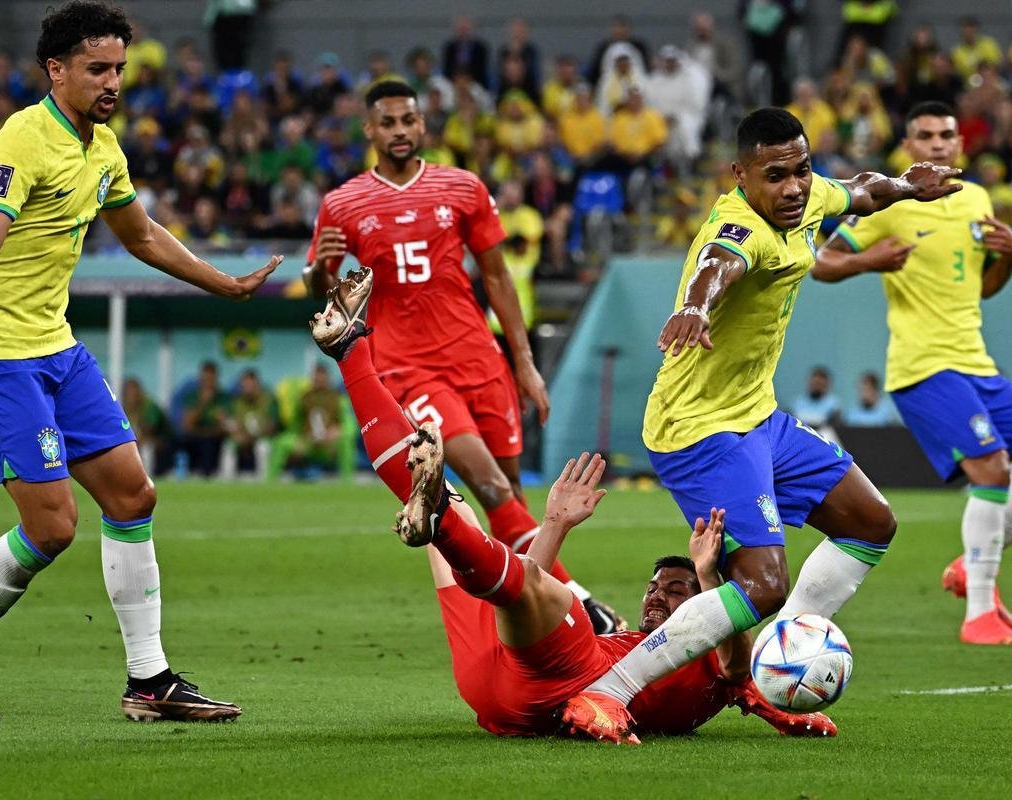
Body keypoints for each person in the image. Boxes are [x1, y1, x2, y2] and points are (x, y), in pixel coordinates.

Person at [0, 1, 277, 722]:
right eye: (96, 69)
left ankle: (149, 681)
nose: (113, 82)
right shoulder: (24, 137)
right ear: (57, 70)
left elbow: (141, 236)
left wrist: (223, 282)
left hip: (57, 346)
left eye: (118, 69)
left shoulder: (104, 149)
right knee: (52, 527)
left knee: (134, 497)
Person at [556, 106, 961, 740]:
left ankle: (769, 670)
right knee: (763, 582)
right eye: (776, 176)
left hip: (757, 416)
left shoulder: (808, 196)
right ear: (740, 175)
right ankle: (607, 693)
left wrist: (910, 185)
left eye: (801, 169)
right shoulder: (741, 226)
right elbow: (718, 263)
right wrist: (693, 304)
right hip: (699, 428)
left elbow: (861, 192)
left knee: (871, 523)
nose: (794, 187)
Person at [310, 269, 836, 742]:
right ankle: (351, 350)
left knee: (532, 581)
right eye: (654, 589)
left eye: (675, 592)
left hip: (563, 681)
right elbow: (522, 590)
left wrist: (707, 574)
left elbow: (735, 665)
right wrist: (555, 525)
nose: (657, 599)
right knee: (456, 516)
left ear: (702, 605)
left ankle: (437, 518)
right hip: (494, 680)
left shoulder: (704, 658)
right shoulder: (633, 641)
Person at [304, 80, 622, 634]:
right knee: (490, 485)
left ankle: (531, 633)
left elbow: (497, 276)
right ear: (369, 130)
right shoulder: (343, 203)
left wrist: (522, 362)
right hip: (408, 366)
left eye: (408, 120)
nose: (399, 131)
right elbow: (324, 300)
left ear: (422, 125)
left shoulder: (463, 187)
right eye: (388, 122)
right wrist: (314, 276)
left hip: (479, 357)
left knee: (514, 499)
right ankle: (582, 608)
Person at [815, 101, 1012, 644]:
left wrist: (1009, 255)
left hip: (976, 361)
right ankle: (980, 612)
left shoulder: (976, 198)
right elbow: (822, 262)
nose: (937, 144)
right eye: (925, 136)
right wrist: (869, 260)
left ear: (960, 144)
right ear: (908, 146)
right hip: (923, 366)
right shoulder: (889, 202)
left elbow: (982, 288)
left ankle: (970, 564)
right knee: (992, 469)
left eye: (946, 135)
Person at [791, 366, 841, 435]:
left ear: (826, 385)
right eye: (814, 383)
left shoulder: (833, 404)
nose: (816, 387)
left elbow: (834, 426)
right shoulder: (798, 402)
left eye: (819, 384)